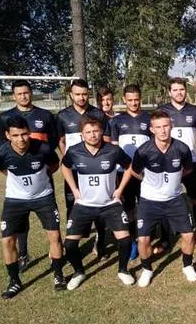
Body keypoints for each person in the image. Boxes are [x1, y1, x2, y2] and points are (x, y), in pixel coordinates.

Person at [0, 116, 65, 298]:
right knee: (7, 240)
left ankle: (58, 275)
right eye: (15, 135)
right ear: (8, 135)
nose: (21, 139)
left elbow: (54, 165)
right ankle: (14, 281)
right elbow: (3, 169)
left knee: (55, 236)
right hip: (15, 200)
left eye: (24, 134)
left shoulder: (44, 148)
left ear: (30, 133)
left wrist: (40, 181)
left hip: (43, 197)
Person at [61, 117, 136, 289]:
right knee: (70, 244)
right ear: (82, 134)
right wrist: (74, 189)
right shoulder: (74, 151)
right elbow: (65, 167)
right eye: (88, 132)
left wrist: (120, 190)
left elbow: (129, 167)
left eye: (96, 131)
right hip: (84, 205)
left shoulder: (113, 150)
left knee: (125, 241)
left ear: (102, 132)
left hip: (110, 204)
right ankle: (79, 272)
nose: (93, 135)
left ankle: (123, 270)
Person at [0, 80, 58, 271]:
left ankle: (54, 254)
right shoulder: (5, 117)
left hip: (42, 174)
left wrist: (41, 169)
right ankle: (23, 253)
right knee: (20, 221)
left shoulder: (45, 115)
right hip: (19, 180)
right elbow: (2, 150)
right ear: (14, 95)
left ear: (31, 93)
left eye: (26, 92)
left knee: (49, 219)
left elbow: (52, 143)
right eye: (19, 93)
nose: (23, 96)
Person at [130, 111, 196, 287]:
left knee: (189, 235)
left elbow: (187, 170)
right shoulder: (144, 150)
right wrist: (149, 183)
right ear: (151, 129)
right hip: (149, 201)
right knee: (143, 240)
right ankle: (147, 269)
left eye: (166, 126)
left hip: (175, 199)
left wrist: (172, 185)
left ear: (171, 126)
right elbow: (135, 171)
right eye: (158, 127)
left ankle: (187, 265)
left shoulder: (182, 149)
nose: (163, 131)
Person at [56, 79, 109, 258]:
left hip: (96, 170)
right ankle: (74, 243)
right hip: (75, 171)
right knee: (73, 206)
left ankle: (100, 242)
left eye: (84, 94)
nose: (81, 97)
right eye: (77, 94)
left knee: (100, 206)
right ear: (71, 94)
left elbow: (106, 140)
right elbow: (61, 140)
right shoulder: (63, 115)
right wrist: (69, 160)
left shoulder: (98, 114)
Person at [159, 78, 196, 248]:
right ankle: (165, 237)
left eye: (182, 89)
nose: (179, 93)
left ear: (186, 91)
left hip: (190, 163)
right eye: (175, 90)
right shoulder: (162, 111)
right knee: (166, 198)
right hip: (168, 165)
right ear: (170, 92)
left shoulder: (195, 111)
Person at [105, 84, 151, 257]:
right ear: (124, 99)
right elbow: (114, 149)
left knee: (146, 205)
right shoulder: (116, 121)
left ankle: (145, 237)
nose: (133, 103)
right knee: (128, 207)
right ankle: (131, 239)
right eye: (130, 100)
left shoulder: (148, 118)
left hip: (145, 172)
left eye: (136, 99)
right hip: (123, 172)